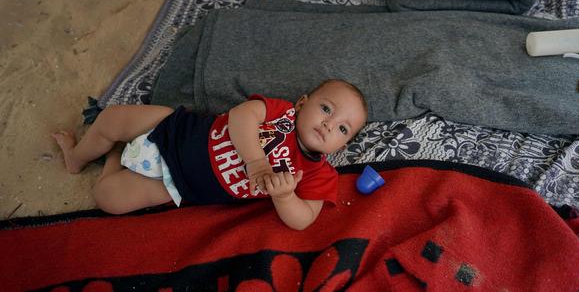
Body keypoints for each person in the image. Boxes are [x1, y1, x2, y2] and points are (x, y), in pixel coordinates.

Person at [51, 79, 367, 230]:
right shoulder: (280, 113)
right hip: (180, 130)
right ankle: (76, 157)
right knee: (112, 118)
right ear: (301, 104)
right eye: (326, 109)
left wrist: (285, 197)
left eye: (342, 129)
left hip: (179, 182)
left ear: (343, 145)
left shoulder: (318, 175)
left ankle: (112, 159)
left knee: (109, 199)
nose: (328, 124)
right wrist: (256, 163)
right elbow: (240, 116)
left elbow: (304, 220)